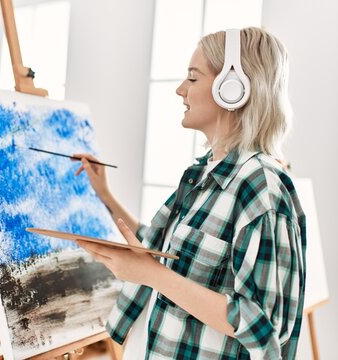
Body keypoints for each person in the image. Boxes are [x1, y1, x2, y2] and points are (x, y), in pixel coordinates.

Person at [73, 27, 306, 359]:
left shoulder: (262, 188)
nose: (181, 90)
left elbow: (262, 324)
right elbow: (161, 250)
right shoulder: (201, 173)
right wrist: (105, 196)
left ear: (233, 89)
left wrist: (151, 275)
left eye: (193, 79)